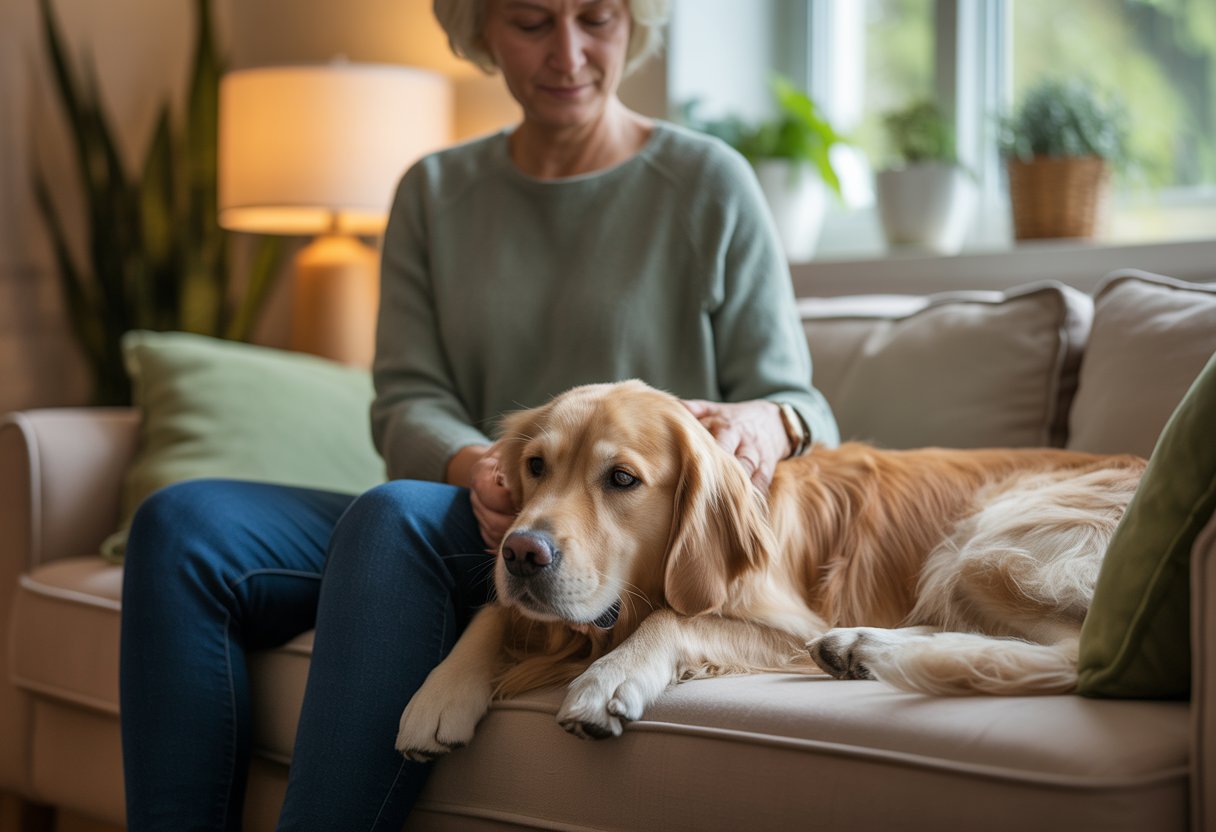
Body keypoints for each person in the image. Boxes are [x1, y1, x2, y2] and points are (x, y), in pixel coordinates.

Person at [118, 0, 839, 829]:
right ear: (481, 34)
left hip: (612, 535)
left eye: (597, 20)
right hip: (473, 509)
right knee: (178, 525)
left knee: (387, 518)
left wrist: (766, 422)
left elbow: (801, 402)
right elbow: (405, 399)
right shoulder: (433, 191)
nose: (569, 53)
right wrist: (479, 469)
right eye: (532, 22)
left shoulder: (709, 181)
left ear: (633, 25)